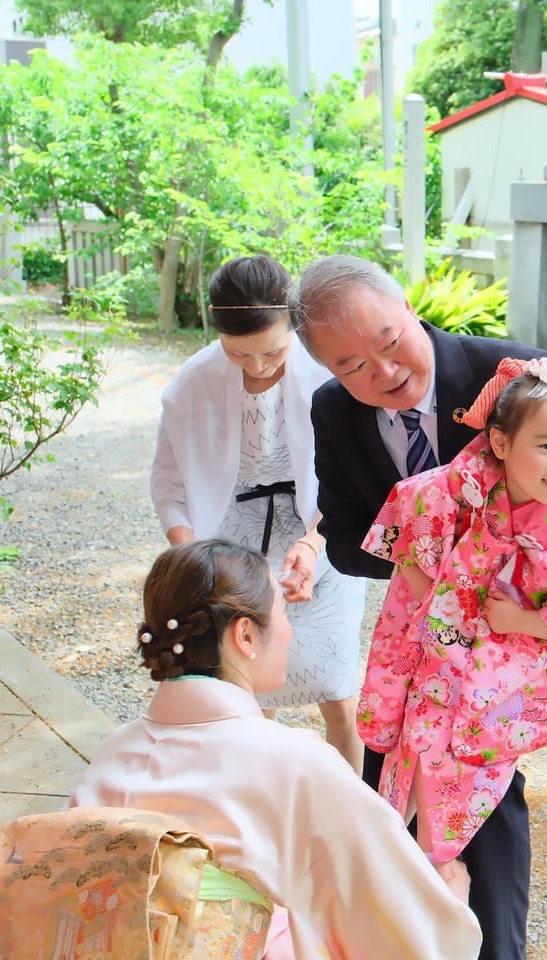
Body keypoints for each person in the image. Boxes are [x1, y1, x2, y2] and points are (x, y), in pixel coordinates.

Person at [288, 254, 547, 960]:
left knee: (482, 789)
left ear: (408, 309)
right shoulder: (332, 409)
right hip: (423, 635)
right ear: (328, 370)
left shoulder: (509, 374)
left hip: (525, 637)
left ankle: (492, 948)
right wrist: (432, 568)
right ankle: (397, 937)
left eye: (390, 342)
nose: (383, 372)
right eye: (352, 365)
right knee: (388, 774)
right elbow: (348, 532)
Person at [71, 540, 482, 960]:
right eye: (284, 613)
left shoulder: (112, 756)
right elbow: (403, 922)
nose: (289, 629)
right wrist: (451, 900)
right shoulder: (298, 764)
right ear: (246, 635)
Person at [357, 356, 547, 896]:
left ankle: (438, 899)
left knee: (445, 821)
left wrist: (519, 617)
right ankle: (411, 896)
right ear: (500, 443)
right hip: (432, 661)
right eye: (546, 446)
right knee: (398, 794)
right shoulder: (450, 490)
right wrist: (437, 599)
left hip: (496, 687)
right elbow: (409, 536)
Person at [150, 255, 367, 773]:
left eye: (272, 350)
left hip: (321, 526)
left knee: (337, 691)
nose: (258, 366)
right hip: (230, 538)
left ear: (293, 322)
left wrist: (314, 545)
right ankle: (262, 806)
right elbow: (170, 482)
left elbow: (353, 479)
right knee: (245, 693)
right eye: (238, 353)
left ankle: (354, 814)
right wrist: (193, 557)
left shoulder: (326, 371)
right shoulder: (192, 382)